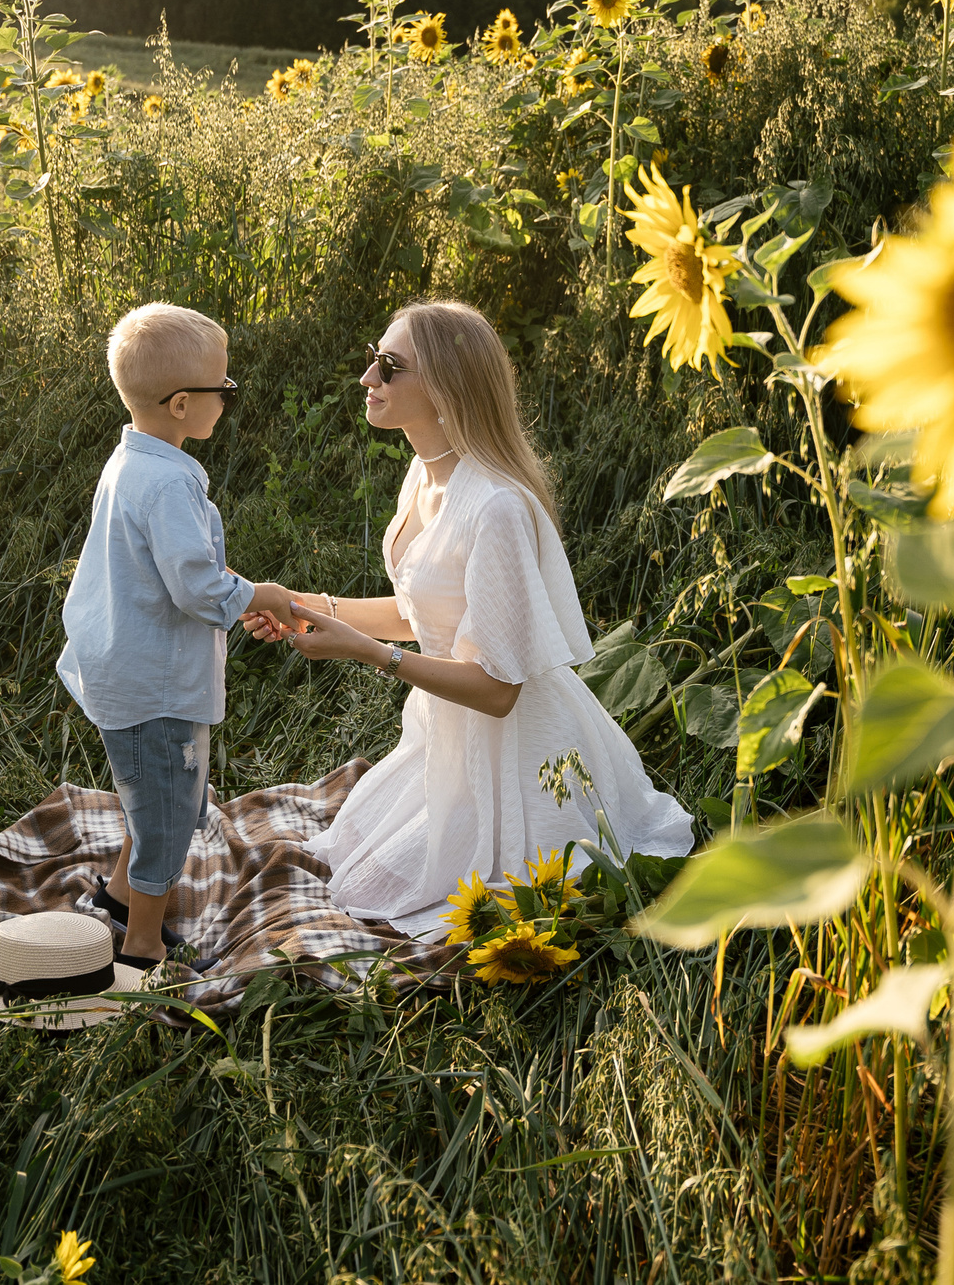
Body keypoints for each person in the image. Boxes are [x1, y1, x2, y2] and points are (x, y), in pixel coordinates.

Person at [241, 300, 695, 937]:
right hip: (444, 735)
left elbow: (498, 690)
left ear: (447, 390)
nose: (368, 379)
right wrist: (308, 606)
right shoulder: (424, 475)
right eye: (374, 360)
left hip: (518, 751)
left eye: (390, 367)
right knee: (353, 864)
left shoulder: (496, 507)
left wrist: (364, 652)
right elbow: (423, 611)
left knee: (423, 901)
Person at [56, 302, 297, 966]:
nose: (231, 398)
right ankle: (140, 948)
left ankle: (113, 896)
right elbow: (194, 585)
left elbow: (176, 570)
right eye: (226, 389)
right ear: (184, 404)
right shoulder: (166, 483)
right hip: (154, 686)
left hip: (126, 670)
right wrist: (257, 594)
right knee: (165, 816)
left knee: (156, 797)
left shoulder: (133, 461)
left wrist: (234, 592)